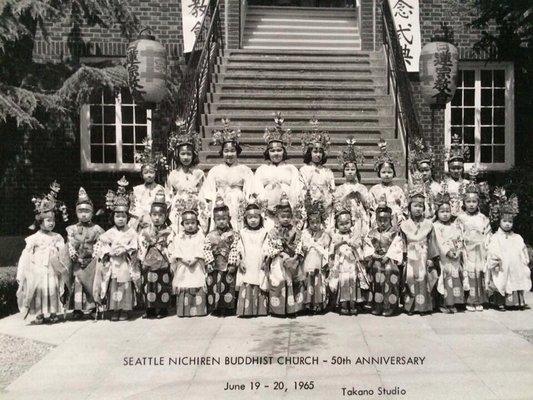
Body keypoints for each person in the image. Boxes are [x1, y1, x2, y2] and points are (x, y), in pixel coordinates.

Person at [16, 182, 69, 324]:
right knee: (39, 288)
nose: (51, 223)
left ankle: (53, 312)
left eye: (52, 220)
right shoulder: (35, 237)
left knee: (52, 287)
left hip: (52, 267)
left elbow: (63, 252)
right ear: (40, 222)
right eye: (48, 221)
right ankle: (39, 313)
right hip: (39, 267)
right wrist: (23, 270)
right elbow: (26, 254)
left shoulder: (57, 237)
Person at [93, 177, 140, 321]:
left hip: (125, 263)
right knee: (113, 284)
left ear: (127, 217)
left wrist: (126, 249)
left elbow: (135, 245)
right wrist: (109, 251)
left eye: (123, 216)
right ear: (113, 217)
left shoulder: (131, 232)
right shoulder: (109, 233)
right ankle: (114, 309)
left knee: (125, 283)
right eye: (117, 216)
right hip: (113, 262)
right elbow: (101, 245)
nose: (120, 219)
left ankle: (125, 309)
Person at [395, 172, 439, 315]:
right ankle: (410, 306)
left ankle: (424, 306)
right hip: (410, 255)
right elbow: (401, 242)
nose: (418, 208)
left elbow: (432, 242)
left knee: (423, 277)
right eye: (415, 205)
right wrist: (402, 256)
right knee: (410, 279)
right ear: (409, 207)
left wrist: (432, 258)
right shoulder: (405, 225)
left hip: (424, 254)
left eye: (421, 206)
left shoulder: (428, 224)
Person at [201, 118, 255, 231]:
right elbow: (208, 192)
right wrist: (210, 204)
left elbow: (250, 191)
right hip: (220, 201)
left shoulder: (245, 170)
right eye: (226, 151)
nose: (229, 154)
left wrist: (248, 203)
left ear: (237, 152)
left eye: (232, 151)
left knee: (237, 227)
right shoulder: (215, 170)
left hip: (238, 203)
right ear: (222, 153)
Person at [253, 113, 302, 229]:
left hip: (287, 213)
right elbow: (257, 190)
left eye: (279, 150)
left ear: (283, 152)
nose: (276, 154)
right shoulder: (261, 170)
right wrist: (267, 206)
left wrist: (290, 206)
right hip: (269, 213)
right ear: (268, 153)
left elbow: (297, 190)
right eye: (273, 151)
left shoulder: (291, 169)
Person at [486, 188, 531, 310]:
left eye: (510, 221)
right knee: (501, 278)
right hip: (502, 265)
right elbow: (492, 251)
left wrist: (524, 261)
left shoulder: (517, 237)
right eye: (504, 221)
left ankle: (518, 301)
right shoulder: (496, 237)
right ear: (499, 221)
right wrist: (495, 261)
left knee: (518, 275)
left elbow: (522, 251)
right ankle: (500, 302)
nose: (507, 224)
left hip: (515, 265)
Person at [455, 166, 491, 312]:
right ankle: (469, 300)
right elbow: (458, 234)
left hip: (480, 250)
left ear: (478, 203)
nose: (471, 204)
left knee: (479, 271)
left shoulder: (483, 218)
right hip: (467, 249)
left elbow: (487, 233)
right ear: (464, 203)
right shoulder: (461, 218)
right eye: (468, 202)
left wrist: (486, 245)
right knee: (469, 272)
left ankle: (479, 299)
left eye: (474, 202)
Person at [65, 187, 104, 320]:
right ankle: (77, 308)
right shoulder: (72, 229)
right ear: (76, 213)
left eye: (87, 211)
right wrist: (73, 252)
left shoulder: (97, 229)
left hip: (91, 261)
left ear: (92, 213)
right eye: (80, 211)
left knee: (91, 283)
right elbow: (70, 244)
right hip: (78, 261)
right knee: (78, 284)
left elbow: (100, 243)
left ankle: (92, 307)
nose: (83, 214)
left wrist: (96, 254)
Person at [263, 192, 304, 317]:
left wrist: (295, 256)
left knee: (291, 281)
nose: (285, 219)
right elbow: (270, 245)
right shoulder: (273, 231)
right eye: (282, 216)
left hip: (292, 259)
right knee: (279, 279)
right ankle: (278, 309)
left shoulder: (296, 231)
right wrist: (280, 253)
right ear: (277, 217)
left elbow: (299, 244)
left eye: (288, 216)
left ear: (291, 216)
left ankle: (292, 308)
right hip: (278, 259)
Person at [328, 200, 372, 315]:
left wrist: (353, 244)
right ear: (337, 224)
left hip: (352, 263)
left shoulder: (353, 235)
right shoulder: (336, 236)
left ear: (351, 223)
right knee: (343, 281)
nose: (344, 226)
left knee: (353, 280)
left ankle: (353, 304)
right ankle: (343, 304)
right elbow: (332, 249)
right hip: (342, 263)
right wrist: (340, 244)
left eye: (347, 223)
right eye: (341, 224)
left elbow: (357, 247)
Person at [170, 195, 209, 317]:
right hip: (183, 264)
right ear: (183, 224)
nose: (190, 225)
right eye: (187, 223)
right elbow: (176, 250)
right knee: (184, 282)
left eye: (193, 223)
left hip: (196, 264)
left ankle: (199, 310)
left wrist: (196, 258)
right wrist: (182, 259)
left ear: (197, 223)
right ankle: (184, 310)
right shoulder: (178, 237)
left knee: (197, 281)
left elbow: (203, 248)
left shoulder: (200, 236)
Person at [231, 195, 269, 317]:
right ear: (245, 218)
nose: (253, 220)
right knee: (247, 280)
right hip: (247, 261)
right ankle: (246, 310)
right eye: (250, 217)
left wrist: (265, 260)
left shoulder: (264, 232)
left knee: (259, 280)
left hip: (259, 261)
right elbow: (239, 248)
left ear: (260, 218)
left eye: (255, 217)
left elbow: (266, 247)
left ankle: (260, 310)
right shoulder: (242, 233)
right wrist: (240, 261)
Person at [137, 189, 173, 319]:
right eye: (154, 215)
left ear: (165, 216)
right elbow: (141, 244)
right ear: (150, 215)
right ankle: (149, 309)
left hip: (163, 260)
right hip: (149, 259)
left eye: (160, 215)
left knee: (163, 284)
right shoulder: (145, 231)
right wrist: (142, 258)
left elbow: (171, 245)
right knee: (149, 285)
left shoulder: (169, 231)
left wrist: (168, 255)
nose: (157, 218)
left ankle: (162, 309)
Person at [166, 120, 207, 232]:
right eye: (182, 154)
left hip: (195, 205)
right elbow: (169, 194)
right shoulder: (173, 175)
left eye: (189, 154)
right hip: (179, 207)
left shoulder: (199, 174)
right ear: (177, 155)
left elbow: (204, 192)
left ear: (193, 155)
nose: (185, 157)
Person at [366, 195, 403, 316]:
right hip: (376, 260)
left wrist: (389, 255)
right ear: (376, 220)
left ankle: (389, 306)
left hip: (389, 261)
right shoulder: (372, 233)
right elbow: (368, 246)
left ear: (390, 220)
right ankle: (377, 306)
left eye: (385, 220)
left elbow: (397, 246)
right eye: (380, 220)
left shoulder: (394, 233)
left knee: (389, 275)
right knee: (376, 279)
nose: (382, 223)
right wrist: (373, 255)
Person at [432, 184, 466, 313]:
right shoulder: (436, 226)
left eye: (447, 211)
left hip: (455, 255)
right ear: (437, 212)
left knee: (455, 276)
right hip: (444, 257)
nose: (445, 214)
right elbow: (439, 242)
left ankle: (455, 302)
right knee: (444, 278)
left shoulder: (454, 225)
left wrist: (457, 250)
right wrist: (447, 252)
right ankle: (444, 303)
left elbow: (459, 238)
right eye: (442, 211)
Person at [298, 119, 336, 229]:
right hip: (309, 207)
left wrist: (327, 202)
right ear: (309, 153)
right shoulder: (304, 170)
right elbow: (302, 189)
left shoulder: (328, 171)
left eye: (320, 152)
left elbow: (332, 190)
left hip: (325, 207)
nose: (318, 155)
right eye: (315, 151)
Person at [204, 196, 239, 316]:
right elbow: (206, 249)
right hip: (214, 265)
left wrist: (232, 263)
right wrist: (209, 262)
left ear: (229, 218)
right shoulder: (210, 235)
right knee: (214, 285)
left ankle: (228, 308)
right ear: (214, 220)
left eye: (224, 218)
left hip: (227, 263)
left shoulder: (233, 234)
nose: (221, 221)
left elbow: (234, 248)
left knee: (228, 284)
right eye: (218, 219)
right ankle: (216, 307)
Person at [298, 191, 331, 313]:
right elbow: (303, 246)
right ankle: (307, 303)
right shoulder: (305, 233)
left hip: (318, 261)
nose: (315, 225)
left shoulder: (324, 234)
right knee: (308, 279)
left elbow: (326, 248)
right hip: (308, 261)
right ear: (308, 222)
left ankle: (318, 303)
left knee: (318, 280)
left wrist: (319, 246)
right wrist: (310, 244)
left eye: (317, 222)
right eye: (312, 222)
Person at [334, 138, 371, 233]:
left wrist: (360, 196)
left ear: (356, 171)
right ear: (343, 171)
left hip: (360, 218)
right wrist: (347, 196)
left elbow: (368, 205)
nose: (350, 172)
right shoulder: (340, 188)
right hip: (346, 220)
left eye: (352, 169)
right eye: (347, 170)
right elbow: (336, 207)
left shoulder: (362, 188)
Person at [369, 138, 407, 227]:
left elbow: (404, 206)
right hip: (380, 219)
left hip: (395, 219)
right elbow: (371, 208)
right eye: (383, 172)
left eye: (389, 172)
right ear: (379, 173)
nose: (386, 175)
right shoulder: (374, 190)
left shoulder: (398, 189)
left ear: (394, 173)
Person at [130, 140, 166, 231]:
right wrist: (142, 217)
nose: (149, 175)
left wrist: (152, 217)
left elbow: (165, 206)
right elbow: (134, 207)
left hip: (155, 218)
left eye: (151, 172)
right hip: (139, 219)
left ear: (155, 173)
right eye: (146, 173)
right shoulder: (136, 189)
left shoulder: (160, 189)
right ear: (141, 175)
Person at [410, 138, 442, 219]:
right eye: (421, 170)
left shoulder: (437, 187)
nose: (424, 173)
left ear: (431, 170)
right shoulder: (413, 188)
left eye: (427, 170)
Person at [443, 136, 470, 218]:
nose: (456, 171)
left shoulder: (467, 184)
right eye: (453, 168)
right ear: (449, 169)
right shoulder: (444, 184)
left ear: (462, 169)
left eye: (459, 168)